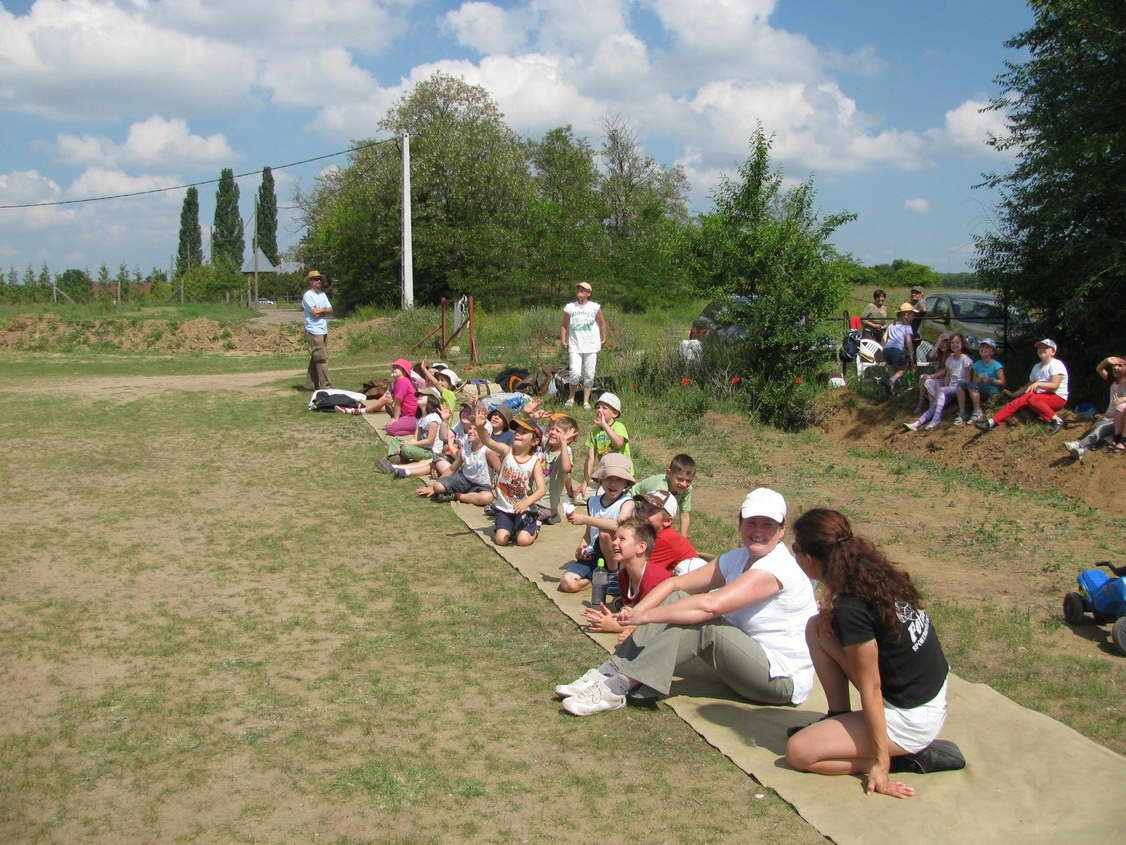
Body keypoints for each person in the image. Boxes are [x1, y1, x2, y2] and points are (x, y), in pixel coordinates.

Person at [554, 488, 817, 717]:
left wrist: (644, 617)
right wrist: (637, 611)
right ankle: (609, 670)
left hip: (778, 678)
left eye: (767, 525)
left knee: (705, 622)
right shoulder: (738, 557)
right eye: (751, 523)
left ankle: (619, 687)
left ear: (782, 531)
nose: (757, 532)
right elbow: (674, 585)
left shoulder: (776, 567)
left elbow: (710, 605)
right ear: (740, 524)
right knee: (677, 599)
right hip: (741, 658)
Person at [785, 509, 964, 798]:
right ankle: (838, 716)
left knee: (800, 752)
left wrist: (881, 764)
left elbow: (871, 687)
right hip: (925, 691)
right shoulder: (873, 573)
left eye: (795, 549)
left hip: (911, 717)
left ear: (809, 559)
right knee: (817, 627)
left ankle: (902, 757)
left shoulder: (851, 609)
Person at [582, 518, 672, 642]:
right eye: (615, 538)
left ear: (641, 547)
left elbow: (658, 621)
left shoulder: (655, 579)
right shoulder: (624, 576)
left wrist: (616, 626)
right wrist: (613, 617)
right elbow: (631, 609)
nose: (614, 542)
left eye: (622, 539)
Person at [559, 454, 636, 594]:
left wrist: (585, 519)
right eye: (609, 478)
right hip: (595, 554)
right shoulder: (593, 501)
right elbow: (589, 534)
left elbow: (620, 525)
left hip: (618, 555)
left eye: (619, 479)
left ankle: (614, 574)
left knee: (605, 534)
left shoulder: (627, 503)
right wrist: (582, 548)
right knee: (567, 583)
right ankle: (600, 579)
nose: (613, 484)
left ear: (626, 483)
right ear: (601, 480)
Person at [474, 406, 545, 547]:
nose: (517, 434)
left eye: (523, 433)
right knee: (501, 540)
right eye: (517, 431)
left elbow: (542, 490)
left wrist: (527, 502)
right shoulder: (507, 451)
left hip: (524, 509)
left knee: (523, 541)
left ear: (534, 441)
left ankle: (535, 528)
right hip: (504, 508)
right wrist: (480, 428)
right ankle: (510, 528)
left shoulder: (534, 462)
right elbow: (487, 441)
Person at [976, 339, 1068, 434]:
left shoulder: (1056, 364)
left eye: (1045, 348)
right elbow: (1029, 385)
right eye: (1040, 347)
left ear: (1053, 352)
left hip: (1057, 398)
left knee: (1032, 398)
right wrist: (1014, 394)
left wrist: (1038, 384)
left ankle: (1057, 420)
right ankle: (991, 422)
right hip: (1041, 397)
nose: (1041, 349)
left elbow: (1054, 385)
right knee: (1016, 402)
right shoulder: (1037, 367)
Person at [416, 408, 493, 505]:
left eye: (475, 429)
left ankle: (455, 496)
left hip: (481, 485)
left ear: (486, 434)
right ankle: (462, 495)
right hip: (464, 480)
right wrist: (434, 487)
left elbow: (500, 470)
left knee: (487, 498)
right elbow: (452, 469)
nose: (471, 431)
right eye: (470, 428)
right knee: (438, 486)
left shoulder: (488, 451)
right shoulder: (465, 449)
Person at [904, 333, 972, 431]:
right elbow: (948, 376)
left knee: (941, 390)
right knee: (934, 406)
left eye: (957, 342)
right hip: (950, 389)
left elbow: (968, 379)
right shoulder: (950, 359)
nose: (954, 345)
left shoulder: (966, 359)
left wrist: (963, 390)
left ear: (962, 344)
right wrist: (945, 389)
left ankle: (936, 419)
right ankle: (916, 424)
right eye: (952, 343)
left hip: (960, 388)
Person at [1064, 355, 1126, 459]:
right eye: (1114, 365)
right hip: (1108, 417)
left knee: (1100, 430)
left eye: (1120, 365)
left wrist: (1123, 399)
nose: (1115, 367)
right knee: (1098, 431)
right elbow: (1099, 369)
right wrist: (1106, 361)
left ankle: (1078, 444)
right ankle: (1082, 450)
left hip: (1118, 420)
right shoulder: (1113, 381)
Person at [560, 282, 608, 409]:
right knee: (575, 373)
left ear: (589, 293)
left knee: (589, 374)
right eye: (578, 288)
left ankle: (586, 401)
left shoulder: (594, 307)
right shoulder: (570, 307)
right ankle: (571, 398)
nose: (579, 290)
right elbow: (564, 325)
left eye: (583, 289)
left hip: (591, 346)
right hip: (575, 346)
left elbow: (602, 323)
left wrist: (604, 338)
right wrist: (563, 340)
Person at [376, 388, 443, 476]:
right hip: (422, 448)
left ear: (431, 399)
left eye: (423, 395)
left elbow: (430, 441)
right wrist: (405, 444)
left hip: (431, 452)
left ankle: (400, 458)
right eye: (419, 395)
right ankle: (396, 457)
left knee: (406, 448)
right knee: (396, 439)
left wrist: (408, 445)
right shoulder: (420, 418)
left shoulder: (434, 418)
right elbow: (415, 438)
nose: (419, 397)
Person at [630, 454, 697, 538]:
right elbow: (652, 515)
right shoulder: (659, 488)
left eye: (689, 481)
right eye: (680, 479)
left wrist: (683, 540)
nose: (684, 484)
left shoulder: (687, 489)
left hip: (648, 509)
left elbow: (685, 516)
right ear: (669, 473)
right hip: (633, 501)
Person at [582, 392, 630, 496]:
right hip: (605, 474)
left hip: (621, 474)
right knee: (580, 497)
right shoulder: (594, 431)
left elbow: (618, 443)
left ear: (615, 414)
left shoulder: (619, 426)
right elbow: (590, 458)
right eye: (598, 407)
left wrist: (604, 426)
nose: (599, 410)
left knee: (608, 497)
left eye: (604, 408)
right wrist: (585, 482)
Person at [955, 339, 1006, 424]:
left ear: (992, 352)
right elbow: (973, 380)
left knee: (971, 384)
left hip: (992, 394)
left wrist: (991, 380)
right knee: (961, 384)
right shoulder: (976, 364)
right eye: (982, 347)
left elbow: (1003, 382)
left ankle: (977, 412)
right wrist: (979, 379)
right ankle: (962, 412)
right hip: (979, 392)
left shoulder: (996, 365)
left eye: (987, 347)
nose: (983, 349)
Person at [301, 270, 333, 390]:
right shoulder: (308, 296)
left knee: (317, 356)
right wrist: (323, 311)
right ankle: (326, 385)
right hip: (313, 330)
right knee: (321, 358)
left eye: (319, 279)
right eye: (315, 279)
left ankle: (310, 384)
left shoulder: (322, 294)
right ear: (310, 281)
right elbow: (314, 313)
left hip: (323, 329)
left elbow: (331, 310)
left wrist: (321, 311)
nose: (318, 281)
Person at [913, 331, 952, 415]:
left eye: (945, 342)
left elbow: (945, 371)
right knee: (922, 378)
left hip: (945, 381)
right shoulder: (941, 354)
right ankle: (921, 403)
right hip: (938, 378)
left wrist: (931, 376)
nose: (942, 344)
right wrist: (938, 341)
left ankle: (930, 408)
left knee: (927, 380)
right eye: (941, 342)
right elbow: (931, 355)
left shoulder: (950, 355)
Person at [883, 304, 916, 394]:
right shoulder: (907, 326)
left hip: (886, 350)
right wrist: (911, 355)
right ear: (906, 315)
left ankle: (893, 391)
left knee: (893, 371)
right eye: (912, 315)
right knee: (905, 367)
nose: (914, 317)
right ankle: (891, 381)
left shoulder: (891, 325)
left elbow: (884, 338)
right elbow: (908, 342)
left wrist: (884, 349)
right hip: (896, 350)